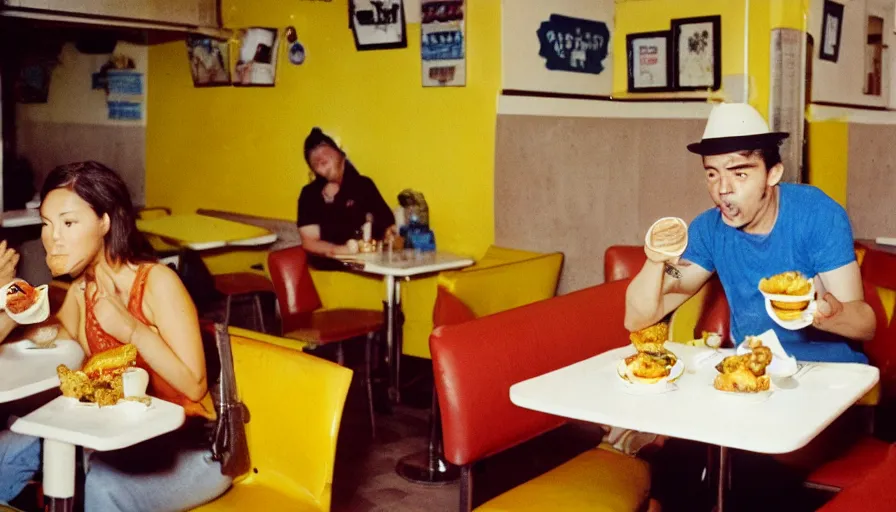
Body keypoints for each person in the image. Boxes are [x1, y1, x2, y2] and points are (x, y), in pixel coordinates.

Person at [0, 161, 231, 510]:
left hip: (192, 449)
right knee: (8, 449)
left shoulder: (156, 282)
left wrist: (133, 330)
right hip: (116, 434)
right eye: (46, 224)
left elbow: (195, 384)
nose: (52, 237)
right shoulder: (83, 290)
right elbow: (45, 340)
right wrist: (9, 302)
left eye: (68, 222)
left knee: (106, 486)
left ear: (105, 222)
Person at [624, 102, 875, 363]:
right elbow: (637, 318)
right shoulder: (709, 229)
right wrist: (656, 258)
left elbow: (865, 326)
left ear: (773, 173)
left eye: (739, 173)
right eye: (712, 174)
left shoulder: (817, 214)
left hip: (830, 371)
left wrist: (823, 314)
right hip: (754, 367)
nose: (723, 189)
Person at [297, 127, 396, 269]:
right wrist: (338, 251)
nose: (319, 156)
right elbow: (310, 242)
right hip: (330, 273)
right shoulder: (310, 194)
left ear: (340, 154)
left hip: (372, 269)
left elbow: (388, 227)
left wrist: (391, 235)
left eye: (323, 147)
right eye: (313, 157)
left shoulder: (364, 185)